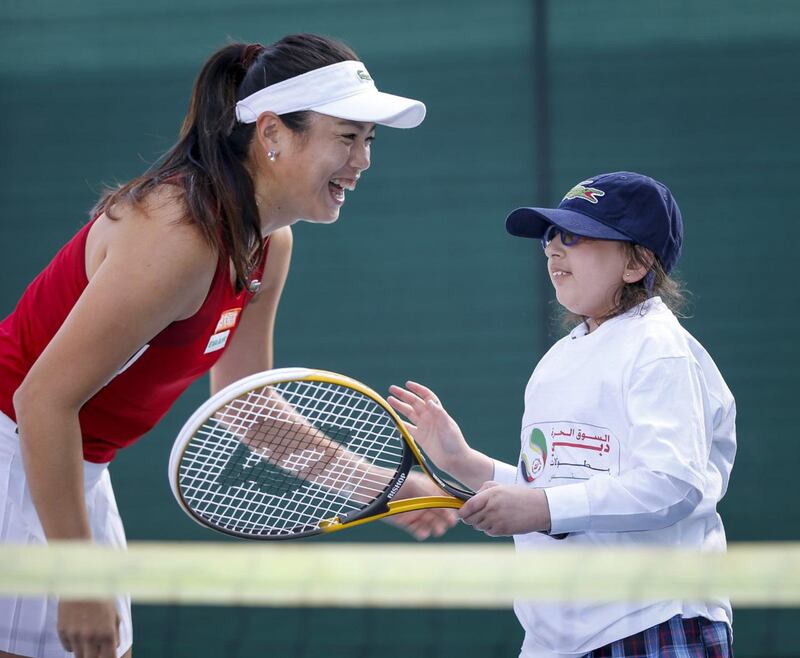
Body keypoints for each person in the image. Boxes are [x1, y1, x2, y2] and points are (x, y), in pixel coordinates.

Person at [0, 33, 456, 658]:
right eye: (347, 137)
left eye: (368, 140)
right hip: (18, 447)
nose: (364, 160)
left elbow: (249, 407)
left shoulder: (272, 242)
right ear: (273, 133)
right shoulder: (176, 236)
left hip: (70, 466)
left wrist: (377, 483)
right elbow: (42, 400)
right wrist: (77, 578)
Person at [388, 171, 737, 658]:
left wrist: (542, 509)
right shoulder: (559, 360)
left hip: (653, 623)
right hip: (555, 641)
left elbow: (673, 484)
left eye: (575, 235)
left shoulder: (660, 350)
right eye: (551, 236)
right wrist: (462, 460)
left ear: (637, 263)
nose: (553, 248)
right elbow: (558, 485)